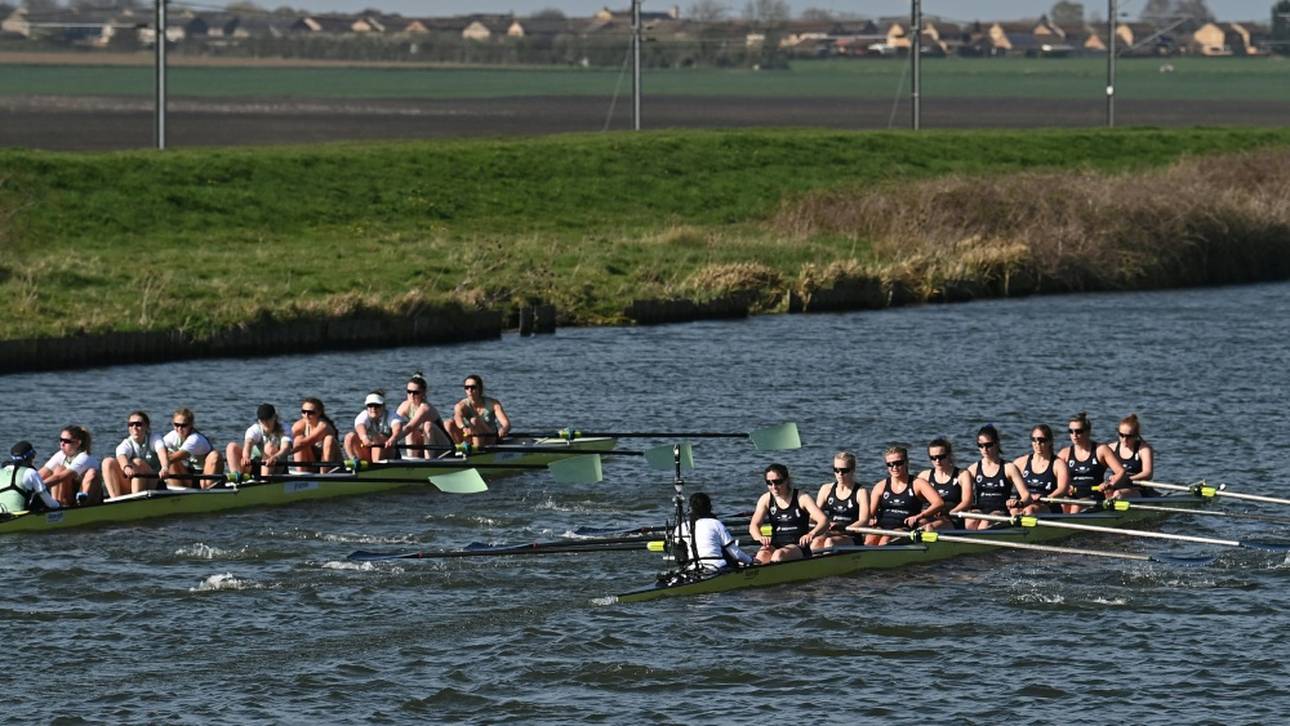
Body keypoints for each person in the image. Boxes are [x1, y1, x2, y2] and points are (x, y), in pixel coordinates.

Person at [749, 463, 829, 564]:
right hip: (775, 543)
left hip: (799, 545)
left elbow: (824, 521)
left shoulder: (802, 498)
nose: (774, 486)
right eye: (769, 483)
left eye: (778, 482)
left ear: (786, 480)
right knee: (761, 556)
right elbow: (753, 526)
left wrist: (811, 534)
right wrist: (759, 537)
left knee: (779, 555)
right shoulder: (766, 499)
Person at [864, 446, 944, 545]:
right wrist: (870, 519)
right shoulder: (880, 486)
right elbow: (870, 513)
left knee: (885, 540)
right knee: (869, 541)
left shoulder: (918, 483)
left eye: (898, 463)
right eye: (890, 464)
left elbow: (939, 503)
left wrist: (920, 516)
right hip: (882, 526)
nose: (894, 467)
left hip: (904, 527)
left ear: (906, 462)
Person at [963, 426, 1036, 530]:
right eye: (980, 446)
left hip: (1000, 510)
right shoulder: (973, 469)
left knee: (986, 522)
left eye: (988, 445)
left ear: (997, 443)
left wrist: (1019, 503)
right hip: (980, 509)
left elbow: (1026, 496)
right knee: (970, 520)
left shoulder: (1009, 468)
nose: (984, 449)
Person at [1058, 412, 1129, 511]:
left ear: (1088, 432)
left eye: (1078, 431)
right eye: (1071, 431)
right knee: (1062, 506)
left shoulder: (1101, 450)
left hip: (1094, 493)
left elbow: (1121, 471)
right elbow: (1053, 476)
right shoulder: (1064, 453)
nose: (1074, 435)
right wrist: (1063, 486)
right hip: (1072, 494)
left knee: (1076, 507)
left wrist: (1109, 484)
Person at [676, 492, 755, 572]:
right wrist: (751, 560)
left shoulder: (680, 528)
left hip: (692, 569)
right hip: (717, 567)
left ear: (690, 508)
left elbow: (680, 555)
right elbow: (735, 554)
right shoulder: (715, 523)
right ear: (709, 507)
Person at [810, 451, 870, 551]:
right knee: (815, 542)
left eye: (844, 470)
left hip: (850, 535)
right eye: (836, 470)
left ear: (853, 470)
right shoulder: (826, 489)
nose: (840, 474)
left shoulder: (861, 492)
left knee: (830, 542)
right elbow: (814, 517)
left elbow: (864, 521)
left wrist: (841, 528)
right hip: (830, 532)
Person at [102, 411, 166, 497]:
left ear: (146, 426)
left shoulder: (154, 438)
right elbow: (121, 455)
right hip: (134, 480)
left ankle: (136, 500)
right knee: (107, 462)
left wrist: (165, 467)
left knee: (137, 462)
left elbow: (162, 452)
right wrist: (126, 466)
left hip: (153, 482)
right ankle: (115, 500)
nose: (134, 427)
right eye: (131, 424)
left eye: (138, 424)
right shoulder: (127, 443)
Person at [916, 438, 973, 530]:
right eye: (933, 458)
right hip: (931, 516)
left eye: (941, 457)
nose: (937, 461)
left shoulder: (962, 474)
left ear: (949, 455)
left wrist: (948, 513)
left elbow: (967, 502)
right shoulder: (924, 476)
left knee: (930, 528)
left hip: (953, 518)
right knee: (917, 524)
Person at [393, 372, 453, 459]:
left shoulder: (425, 408)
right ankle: (412, 460)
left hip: (444, 447)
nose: (411, 395)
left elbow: (410, 427)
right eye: (409, 392)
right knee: (409, 432)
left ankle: (429, 461)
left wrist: (393, 439)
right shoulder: (405, 405)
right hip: (425, 444)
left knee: (427, 425)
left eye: (416, 392)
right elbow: (393, 424)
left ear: (423, 393)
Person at [38, 425, 102, 506]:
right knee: (59, 469)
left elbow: (60, 477)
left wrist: (38, 486)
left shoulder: (85, 457)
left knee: (90, 472)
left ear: (78, 443)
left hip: (90, 499)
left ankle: (62, 508)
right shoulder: (61, 455)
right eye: (61, 440)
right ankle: (57, 506)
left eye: (66, 441)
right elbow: (42, 473)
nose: (62, 444)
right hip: (71, 498)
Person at [1013, 424, 1070, 513]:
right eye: (1034, 440)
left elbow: (1063, 489)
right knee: (1014, 510)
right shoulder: (1020, 462)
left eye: (1042, 440)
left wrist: (1048, 498)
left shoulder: (1058, 464)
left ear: (1050, 441)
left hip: (1047, 505)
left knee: (1030, 510)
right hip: (1025, 503)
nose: (1037, 443)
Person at [226, 403, 293, 478]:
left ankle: (265, 481)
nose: (265, 423)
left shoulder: (284, 428)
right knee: (231, 447)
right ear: (259, 420)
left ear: (274, 417)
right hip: (256, 465)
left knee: (269, 448)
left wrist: (275, 457)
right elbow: (248, 443)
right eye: (262, 420)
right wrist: (246, 456)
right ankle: (237, 477)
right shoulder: (255, 429)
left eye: (268, 419)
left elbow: (285, 448)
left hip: (276, 467)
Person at [161, 408, 221, 489]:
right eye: (176, 425)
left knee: (215, 455)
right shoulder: (173, 435)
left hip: (203, 476)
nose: (179, 429)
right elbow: (158, 449)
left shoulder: (196, 439)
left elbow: (174, 458)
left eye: (183, 425)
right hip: (188, 473)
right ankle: (177, 493)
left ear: (191, 425)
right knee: (164, 454)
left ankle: (207, 491)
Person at [447, 374, 511, 446]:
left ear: (480, 388)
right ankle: (458, 447)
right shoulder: (461, 405)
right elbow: (457, 417)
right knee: (448, 423)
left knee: (475, 420)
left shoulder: (494, 404)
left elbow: (506, 424)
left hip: (489, 437)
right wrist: (463, 428)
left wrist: (503, 429)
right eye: (467, 387)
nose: (470, 390)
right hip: (470, 436)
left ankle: (477, 449)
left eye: (473, 387)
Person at [0, 441, 60, 513]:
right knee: (41, 493)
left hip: (2, 514)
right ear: (28, 457)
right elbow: (51, 504)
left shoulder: (1, 471)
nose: (33, 459)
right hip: (19, 516)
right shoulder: (31, 472)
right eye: (33, 456)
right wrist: (59, 506)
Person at [345, 391, 402, 462]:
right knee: (350, 437)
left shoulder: (391, 415)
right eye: (370, 405)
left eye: (377, 405)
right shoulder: (363, 415)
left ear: (383, 406)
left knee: (378, 438)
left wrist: (394, 438)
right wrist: (364, 438)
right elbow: (360, 426)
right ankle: (354, 461)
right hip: (368, 452)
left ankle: (376, 466)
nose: (373, 408)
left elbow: (397, 427)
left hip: (389, 452)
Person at [292, 397, 341, 473]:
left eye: (310, 412)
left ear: (319, 412)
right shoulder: (300, 424)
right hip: (313, 463)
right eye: (303, 412)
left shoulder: (323, 426)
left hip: (332, 464)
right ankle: (301, 473)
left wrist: (286, 452)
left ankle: (324, 475)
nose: (306, 415)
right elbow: (286, 437)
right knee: (298, 439)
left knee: (329, 439)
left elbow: (305, 443)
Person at [1111, 413, 1155, 497]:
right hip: (1116, 486)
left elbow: (1148, 474)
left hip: (1137, 489)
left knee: (1118, 494)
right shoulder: (1112, 448)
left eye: (1128, 436)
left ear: (1136, 436)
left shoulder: (1144, 449)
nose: (1124, 439)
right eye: (1121, 435)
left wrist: (1128, 479)